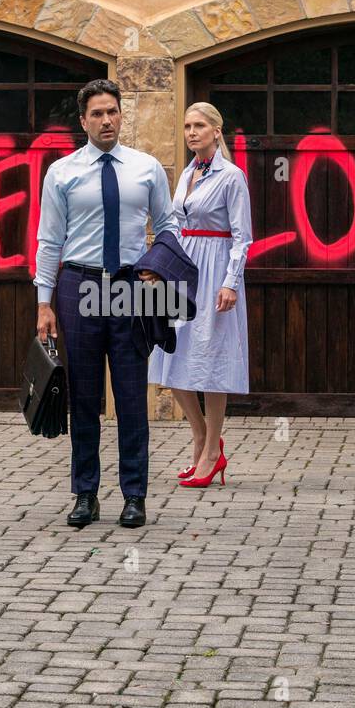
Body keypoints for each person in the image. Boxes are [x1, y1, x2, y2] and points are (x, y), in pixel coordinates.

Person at [35, 79, 174, 529]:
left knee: (133, 397)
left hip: (131, 288)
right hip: (80, 286)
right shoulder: (62, 172)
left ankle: (135, 496)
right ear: (83, 121)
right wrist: (44, 302)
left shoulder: (146, 167)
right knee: (85, 397)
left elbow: (170, 225)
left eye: (112, 111)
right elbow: (49, 240)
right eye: (97, 113)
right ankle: (85, 494)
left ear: (121, 115)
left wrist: (156, 266)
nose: (106, 120)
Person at [148, 102, 252, 488]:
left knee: (212, 357)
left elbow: (243, 237)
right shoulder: (188, 173)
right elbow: (174, 224)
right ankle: (200, 435)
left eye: (199, 126)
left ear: (217, 131)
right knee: (171, 350)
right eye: (187, 126)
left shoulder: (231, 177)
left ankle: (212, 452)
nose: (192, 132)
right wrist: (160, 266)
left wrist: (231, 281)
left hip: (215, 269)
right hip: (182, 269)